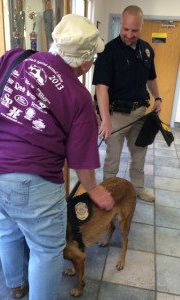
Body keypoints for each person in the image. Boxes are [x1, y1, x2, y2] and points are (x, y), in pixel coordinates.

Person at [0, 14, 114, 300]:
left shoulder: (16, 58)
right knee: (46, 249)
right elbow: (82, 159)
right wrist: (93, 188)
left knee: (7, 228)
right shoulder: (78, 96)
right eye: (92, 57)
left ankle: (16, 285)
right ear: (84, 62)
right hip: (33, 181)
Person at [93, 5, 162, 202]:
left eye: (134, 30)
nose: (129, 34)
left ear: (141, 27)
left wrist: (158, 98)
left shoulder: (147, 50)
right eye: (125, 29)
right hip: (115, 115)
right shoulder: (108, 51)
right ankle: (108, 192)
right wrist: (105, 120)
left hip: (140, 113)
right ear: (121, 25)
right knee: (112, 159)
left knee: (140, 155)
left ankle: (138, 189)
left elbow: (151, 78)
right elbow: (101, 88)